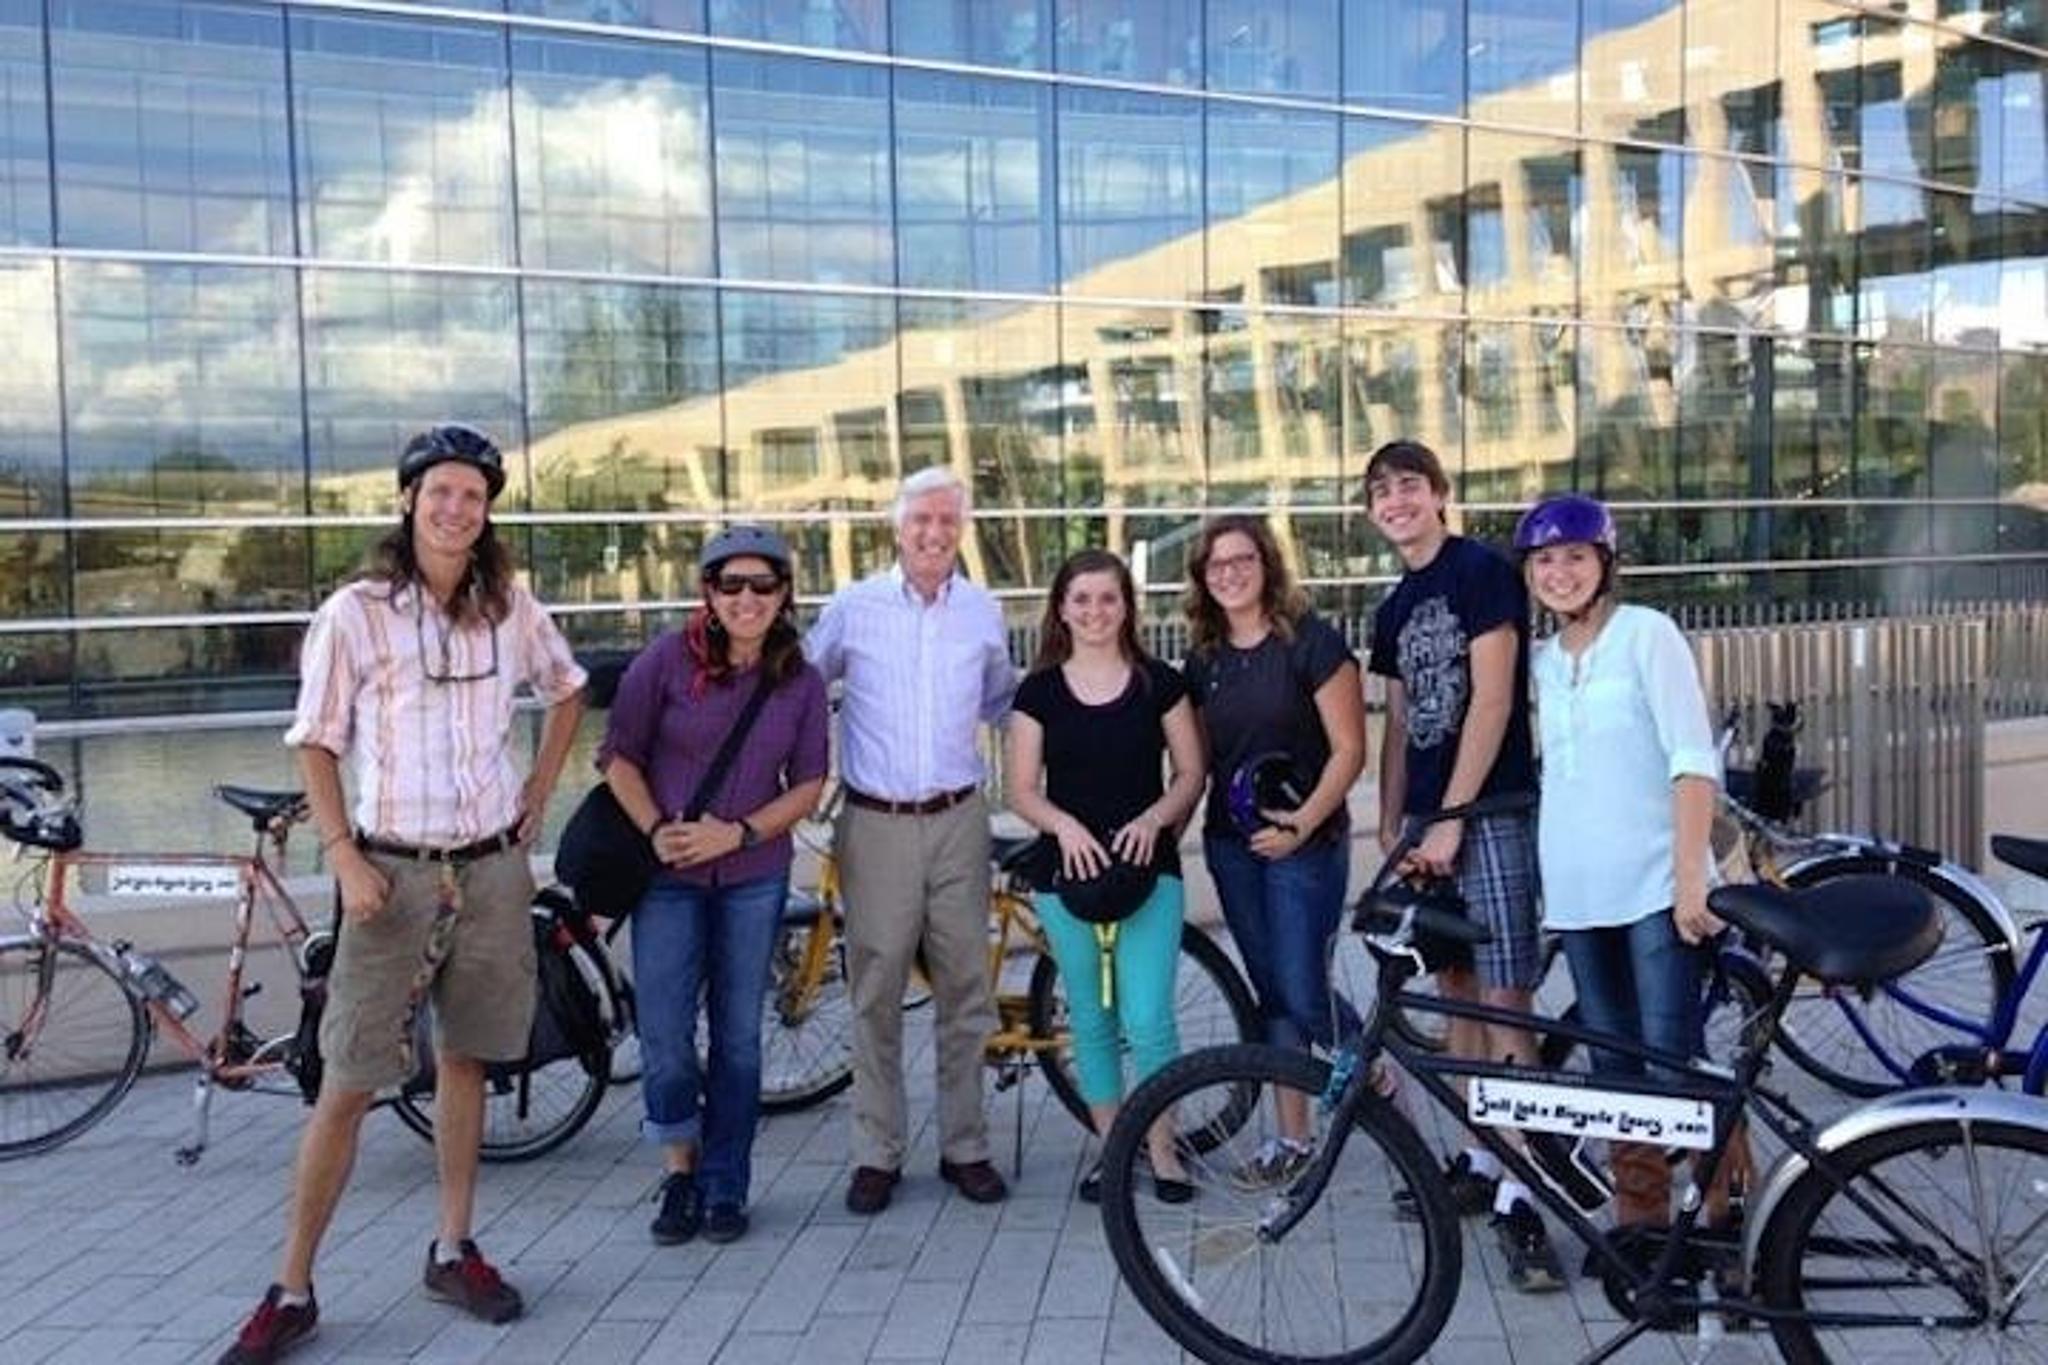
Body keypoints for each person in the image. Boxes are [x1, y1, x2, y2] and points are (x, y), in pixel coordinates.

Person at [222, 424, 586, 1365]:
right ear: (411, 501)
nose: (457, 509)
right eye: (441, 493)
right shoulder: (355, 611)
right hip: (391, 872)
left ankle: (453, 1244)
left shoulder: (512, 606)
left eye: (474, 495)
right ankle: (291, 1285)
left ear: (488, 508)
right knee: (347, 1078)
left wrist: (540, 794)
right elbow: (316, 738)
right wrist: (341, 851)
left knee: (466, 1057)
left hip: (493, 865)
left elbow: (568, 689)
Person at [1515, 493, 1746, 1235]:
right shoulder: (1545, 662)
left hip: (1655, 886)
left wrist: (1689, 878)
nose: (1560, 572)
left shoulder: (1648, 635)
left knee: (1672, 1060)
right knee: (1613, 1069)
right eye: (1545, 560)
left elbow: (1691, 759)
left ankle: (1724, 1212)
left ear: (1605, 563)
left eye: (1575, 556)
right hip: (1580, 892)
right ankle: (1641, 1219)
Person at [1363, 439, 1563, 1292]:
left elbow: (1492, 696)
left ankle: (1526, 1194)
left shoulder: (1480, 571)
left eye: (1410, 485)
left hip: (1493, 815)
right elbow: (1404, 722)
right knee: (1456, 998)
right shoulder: (1393, 606)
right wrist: (1394, 816)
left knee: (1507, 1000)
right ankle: (1480, 1160)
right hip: (1430, 826)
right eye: (1380, 491)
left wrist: (1449, 819)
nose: (1396, 500)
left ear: (1440, 495)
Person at [600, 526, 829, 1246]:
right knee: (665, 1036)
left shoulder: (801, 678)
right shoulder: (665, 661)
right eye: (731, 584)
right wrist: (654, 828)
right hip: (668, 878)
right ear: (708, 591)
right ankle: (679, 1169)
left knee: (737, 1040)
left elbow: (812, 782)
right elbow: (618, 756)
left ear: (784, 593)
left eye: (763, 584)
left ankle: (727, 1179)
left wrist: (741, 833)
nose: (747, 598)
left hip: (751, 878)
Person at [805, 466, 1016, 1214]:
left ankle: (966, 1144)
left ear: (960, 530)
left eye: (947, 522)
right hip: (876, 822)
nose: (934, 533)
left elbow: (1002, 702)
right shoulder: (853, 608)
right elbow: (801, 688)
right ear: (897, 527)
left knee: (965, 985)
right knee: (877, 988)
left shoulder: (983, 612)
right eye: (921, 519)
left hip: (960, 818)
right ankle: (877, 1151)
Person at [1005, 548, 1206, 1203]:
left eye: (1108, 598)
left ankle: (1163, 1150)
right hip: (1069, 876)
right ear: (1061, 608)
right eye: (1082, 598)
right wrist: (1062, 825)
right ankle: (1114, 1148)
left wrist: (1155, 819)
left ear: (1127, 606)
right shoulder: (1038, 691)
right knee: (1092, 1016)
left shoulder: (1160, 682)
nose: (1095, 611)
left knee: (1148, 1017)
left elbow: (1190, 772)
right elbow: (1021, 788)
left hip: (1150, 872)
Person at [1182, 515, 1365, 1182]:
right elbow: (1198, 763)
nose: (1229, 572)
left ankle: (1369, 1073)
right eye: (1215, 564)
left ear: (1267, 564)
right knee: (1273, 995)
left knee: (1303, 987)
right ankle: (1292, 1139)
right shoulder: (1203, 659)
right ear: (1203, 579)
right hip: (1234, 847)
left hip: (1307, 845)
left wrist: (1302, 824)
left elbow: (1351, 749)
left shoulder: (1312, 642)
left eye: (1241, 559)